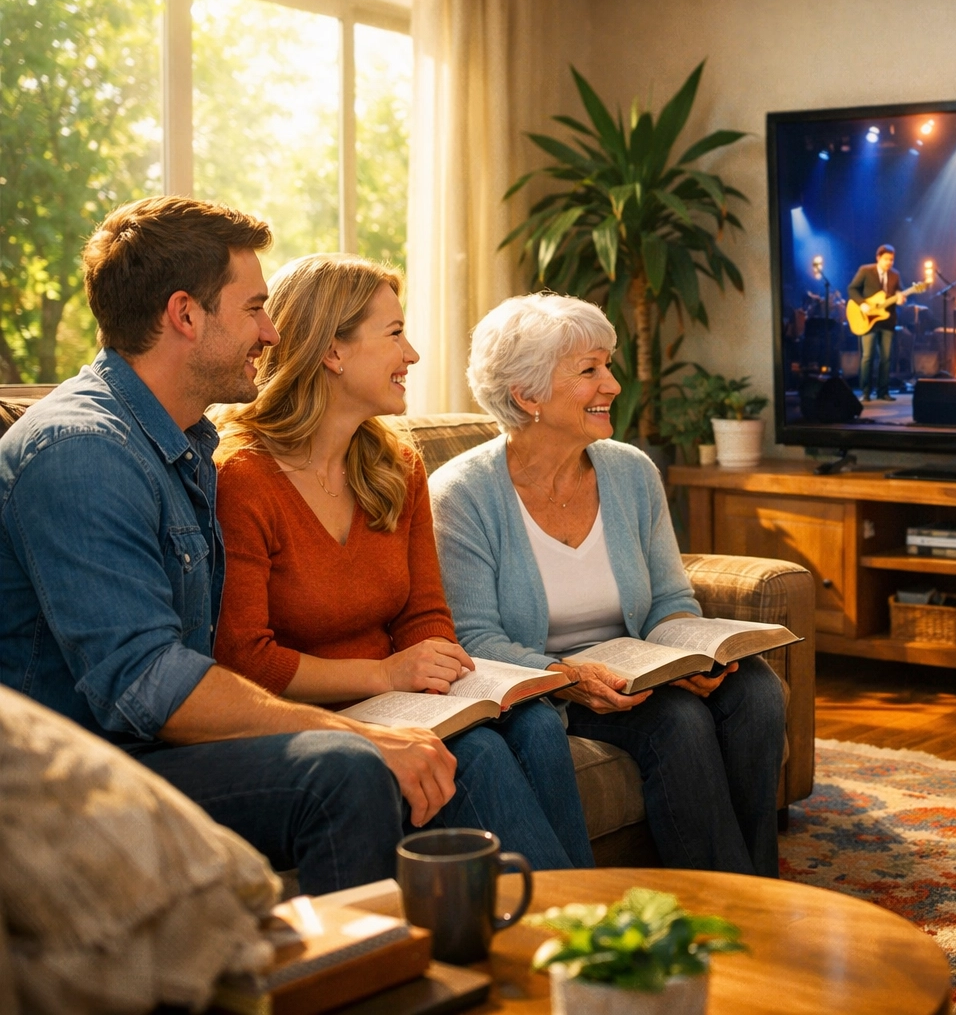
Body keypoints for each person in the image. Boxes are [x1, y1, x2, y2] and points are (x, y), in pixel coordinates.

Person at [0, 197, 450, 895]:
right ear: (185, 315)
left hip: (150, 749)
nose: (272, 333)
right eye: (255, 309)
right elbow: (148, 689)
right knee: (345, 771)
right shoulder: (81, 452)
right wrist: (361, 735)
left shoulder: (183, 445)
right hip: (76, 778)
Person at [212, 254, 593, 871]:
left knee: (540, 725)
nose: (412, 354)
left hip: (401, 697)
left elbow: (424, 613)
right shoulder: (242, 477)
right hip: (315, 716)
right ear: (333, 351)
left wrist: (434, 666)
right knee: (485, 757)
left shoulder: (396, 465)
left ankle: (579, 926)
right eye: (394, 334)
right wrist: (386, 675)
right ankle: (571, 935)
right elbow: (245, 660)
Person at [429, 293, 786, 878]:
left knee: (756, 692)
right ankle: (720, 903)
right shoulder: (462, 495)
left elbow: (671, 598)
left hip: (640, 668)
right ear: (528, 396)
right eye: (590, 370)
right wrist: (568, 677)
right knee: (679, 721)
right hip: (553, 685)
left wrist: (690, 651)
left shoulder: (630, 470)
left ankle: (761, 887)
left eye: (609, 366)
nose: (613, 385)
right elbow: (473, 638)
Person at [846, 244, 905, 402]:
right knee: (868, 356)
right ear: (878, 258)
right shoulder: (865, 270)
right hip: (867, 319)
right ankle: (865, 392)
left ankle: (883, 392)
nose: (889, 263)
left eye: (892, 260)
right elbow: (852, 289)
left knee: (886, 358)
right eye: (886, 259)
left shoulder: (895, 275)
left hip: (887, 320)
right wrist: (862, 304)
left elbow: (900, 291)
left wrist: (901, 297)